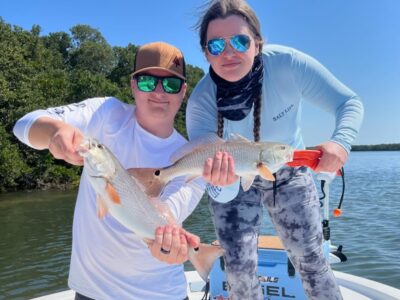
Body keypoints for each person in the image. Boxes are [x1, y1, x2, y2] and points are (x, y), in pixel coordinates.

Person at [186, 1, 364, 299]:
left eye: (240, 41)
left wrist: (340, 142)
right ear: (205, 53)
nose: (228, 52)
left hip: (288, 167)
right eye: (216, 45)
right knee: (238, 267)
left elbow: (349, 102)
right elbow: (204, 163)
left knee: (312, 261)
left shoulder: (288, 65)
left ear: (257, 43)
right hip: (231, 176)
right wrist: (217, 180)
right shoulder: (201, 103)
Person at [13, 42, 205, 300]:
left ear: (183, 92)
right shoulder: (106, 114)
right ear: (133, 85)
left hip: (161, 294)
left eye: (170, 84)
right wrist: (54, 132)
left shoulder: (191, 158)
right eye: (148, 82)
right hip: (91, 292)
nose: (159, 92)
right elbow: (23, 125)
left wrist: (169, 244)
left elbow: (169, 210)